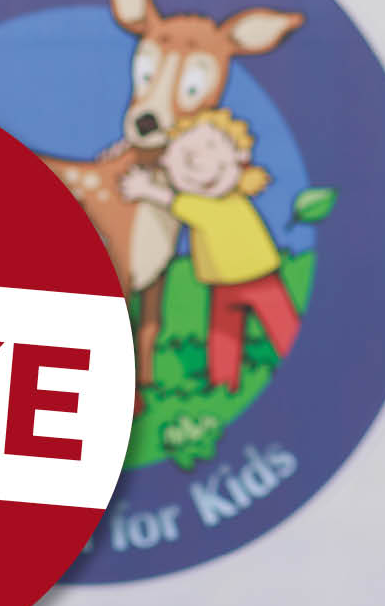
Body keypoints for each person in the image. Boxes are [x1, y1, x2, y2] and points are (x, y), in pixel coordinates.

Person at [120, 108, 301, 393]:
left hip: (258, 277)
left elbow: (181, 206)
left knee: (283, 326)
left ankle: (303, 362)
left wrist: (145, 190)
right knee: (223, 334)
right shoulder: (213, 199)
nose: (198, 163)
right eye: (185, 157)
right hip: (222, 282)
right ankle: (223, 383)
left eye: (210, 149)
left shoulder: (218, 204)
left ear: (238, 159)